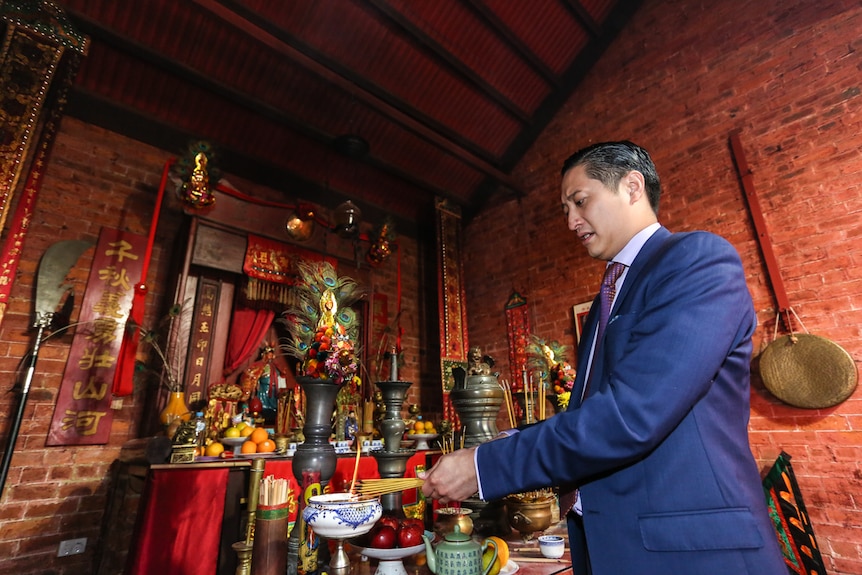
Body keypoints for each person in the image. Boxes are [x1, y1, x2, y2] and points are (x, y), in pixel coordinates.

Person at [421, 141, 786, 574]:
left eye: (580, 201)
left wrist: (485, 466)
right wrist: (502, 442)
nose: (572, 221)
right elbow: (593, 411)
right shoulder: (606, 298)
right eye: (565, 210)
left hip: (690, 552)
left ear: (632, 187)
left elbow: (633, 414)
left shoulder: (695, 261)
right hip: (616, 548)